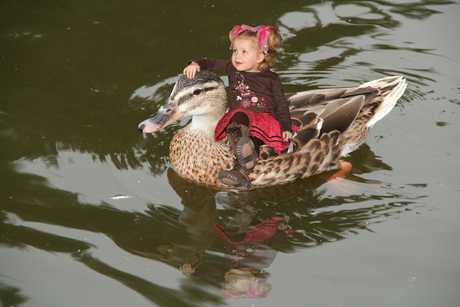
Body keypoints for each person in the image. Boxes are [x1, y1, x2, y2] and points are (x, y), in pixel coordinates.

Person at [183, 24, 293, 190]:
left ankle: (242, 164)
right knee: (235, 123)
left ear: (260, 58)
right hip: (242, 116)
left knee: (255, 139)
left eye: (243, 52)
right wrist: (195, 63)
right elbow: (211, 63)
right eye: (235, 51)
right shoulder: (232, 69)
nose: (236, 56)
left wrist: (285, 126)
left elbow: (281, 103)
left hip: (263, 118)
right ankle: (241, 166)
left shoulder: (271, 79)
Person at [180, 205, 293, 298]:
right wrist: (280, 233)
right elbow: (274, 247)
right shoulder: (263, 263)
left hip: (238, 238)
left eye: (225, 282)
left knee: (233, 237)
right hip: (260, 236)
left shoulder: (226, 270)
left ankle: (242, 210)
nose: (229, 278)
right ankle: (247, 214)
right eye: (233, 282)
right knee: (252, 228)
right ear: (252, 279)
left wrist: (192, 273)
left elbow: (209, 273)